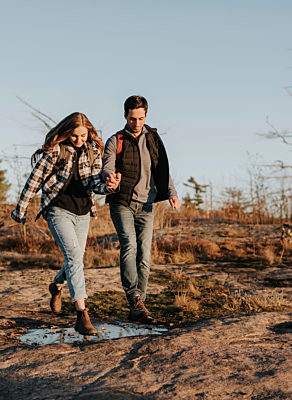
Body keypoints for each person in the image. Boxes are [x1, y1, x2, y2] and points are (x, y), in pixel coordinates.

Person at [11, 112, 121, 335]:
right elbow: (35, 180)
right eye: (74, 136)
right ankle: (81, 314)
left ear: (89, 132)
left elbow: (95, 184)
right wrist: (21, 210)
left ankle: (56, 286)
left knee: (76, 258)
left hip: (82, 211)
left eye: (82, 135)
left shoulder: (93, 152)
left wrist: (110, 186)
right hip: (57, 209)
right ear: (66, 133)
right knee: (73, 256)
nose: (79, 140)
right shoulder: (56, 151)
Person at [102, 95, 180, 324]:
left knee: (145, 256)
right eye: (133, 118)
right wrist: (109, 178)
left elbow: (163, 169)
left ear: (146, 115)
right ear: (125, 115)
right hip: (122, 201)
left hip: (146, 204)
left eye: (141, 118)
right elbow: (106, 166)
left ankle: (139, 305)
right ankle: (134, 298)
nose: (137, 123)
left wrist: (171, 192)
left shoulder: (153, 139)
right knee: (130, 245)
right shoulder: (115, 140)